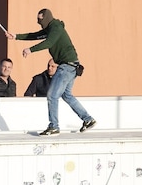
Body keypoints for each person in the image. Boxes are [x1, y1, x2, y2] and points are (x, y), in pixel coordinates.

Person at [6, 8, 96, 136]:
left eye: (41, 20)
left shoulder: (56, 27)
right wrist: (16, 37)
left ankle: (54, 126)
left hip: (66, 66)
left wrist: (30, 50)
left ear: (46, 18)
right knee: (66, 95)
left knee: (52, 95)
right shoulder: (50, 29)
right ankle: (88, 119)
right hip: (71, 66)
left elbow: (49, 42)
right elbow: (35, 35)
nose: (39, 23)